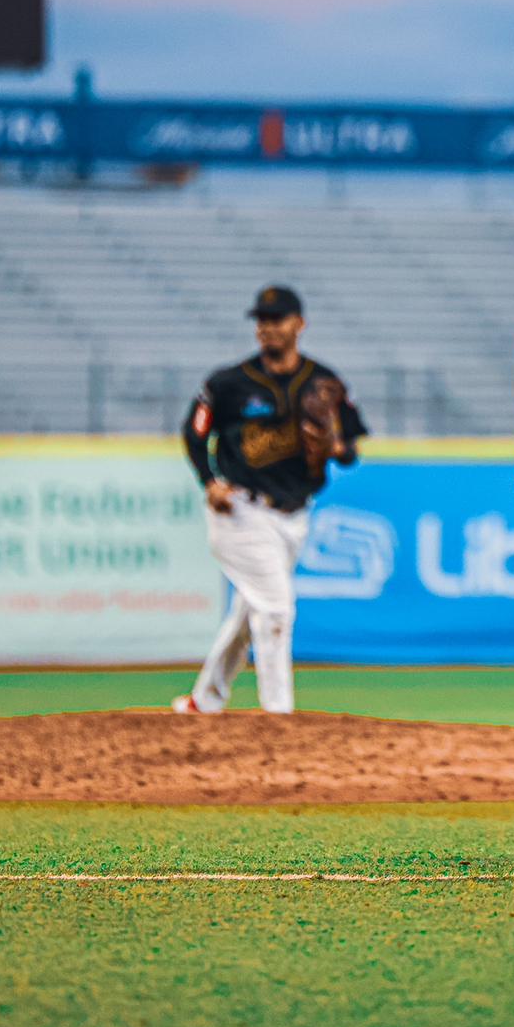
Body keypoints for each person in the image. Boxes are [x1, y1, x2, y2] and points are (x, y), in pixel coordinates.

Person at [173, 285, 366, 715]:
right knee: (276, 608)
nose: (267, 328)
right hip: (240, 510)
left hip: (294, 515)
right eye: (261, 320)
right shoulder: (229, 384)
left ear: (299, 324)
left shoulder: (323, 382)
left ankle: (205, 700)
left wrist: (337, 448)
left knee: (250, 611)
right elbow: (194, 432)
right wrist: (208, 480)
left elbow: (351, 446)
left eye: (276, 319)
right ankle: (279, 715)